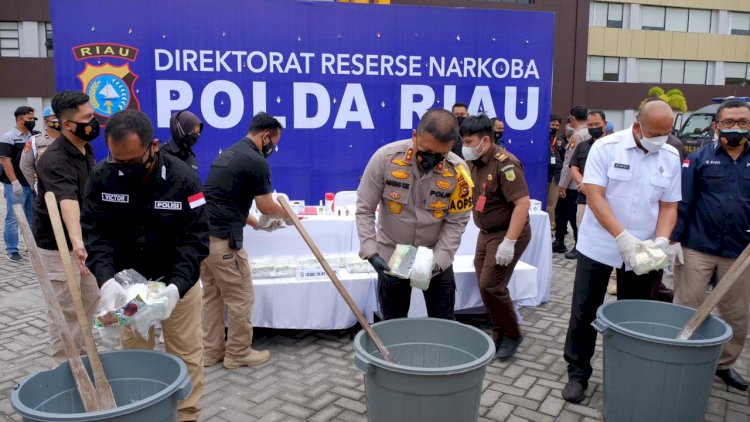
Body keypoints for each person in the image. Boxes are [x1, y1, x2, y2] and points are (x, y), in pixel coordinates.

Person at [81, 110, 209, 421]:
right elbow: (95, 233)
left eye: (132, 162)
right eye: (118, 161)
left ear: (153, 146)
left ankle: (185, 415)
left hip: (175, 283)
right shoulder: (101, 177)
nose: (125, 169)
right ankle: (144, 412)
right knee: (136, 355)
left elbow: (195, 239)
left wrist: (177, 287)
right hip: (129, 289)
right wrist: (106, 280)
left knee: (187, 353)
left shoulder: (184, 179)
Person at [562, 99, 681, 404]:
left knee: (634, 314)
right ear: (638, 126)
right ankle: (578, 373)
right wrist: (621, 236)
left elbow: (669, 205)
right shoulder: (606, 148)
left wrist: (662, 240)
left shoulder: (670, 155)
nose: (661, 140)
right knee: (585, 309)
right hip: (599, 245)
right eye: (655, 134)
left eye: (666, 133)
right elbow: (595, 196)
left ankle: (629, 369)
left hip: (644, 250)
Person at [356, 108, 472, 320]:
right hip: (392, 257)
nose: (431, 160)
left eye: (441, 155)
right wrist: (371, 253)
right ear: (415, 135)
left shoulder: (459, 171)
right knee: (393, 323)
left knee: (443, 322)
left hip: (436, 257)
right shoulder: (385, 159)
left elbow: (457, 222)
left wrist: (439, 261)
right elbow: (364, 209)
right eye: (427, 150)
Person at [670, 98, 750, 391]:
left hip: (740, 253)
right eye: (729, 122)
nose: (735, 127)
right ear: (717, 126)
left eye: (742, 122)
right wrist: (674, 240)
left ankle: (724, 365)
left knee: (736, 313)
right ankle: (681, 358)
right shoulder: (699, 159)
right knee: (686, 306)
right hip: (697, 248)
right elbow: (683, 201)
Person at [201, 112, 287, 370]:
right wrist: (289, 215)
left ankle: (211, 351)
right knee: (240, 297)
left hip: (203, 240)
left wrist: (257, 224)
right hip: (224, 243)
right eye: (274, 143)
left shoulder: (228, 155)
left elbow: (226, 202)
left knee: (212, 297)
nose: (272, 149)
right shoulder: (256, 161)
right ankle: (238, 353)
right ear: (266, 136)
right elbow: (267, 205)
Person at [33, 91, 101, 366]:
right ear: (67, 124)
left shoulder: (85, 149)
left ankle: (83, 358)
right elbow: (67, 201)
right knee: (65, 312)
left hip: (84, 243)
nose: (93, 122)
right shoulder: (54, 159)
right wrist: (76, 242)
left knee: (90, 301)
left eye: (93, 115)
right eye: (87, 117)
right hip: (59, 248)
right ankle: (66, 369)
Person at [461, 115, 531, 360]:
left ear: (485, 140)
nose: (465, 147)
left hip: (507, 233)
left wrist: (509, 242)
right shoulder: (474, 162)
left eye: (469, 142)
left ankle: (512, 333)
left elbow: (522, 204)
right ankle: (499, 331)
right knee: (485, 284)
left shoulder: (506, 164)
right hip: (486, 233)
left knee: (491, 285)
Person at [0, 106, 36, 261]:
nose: (33, 121)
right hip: (15, 185)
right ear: (21, 119)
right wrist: (14, 182)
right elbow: (5, 161)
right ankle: (12, 249)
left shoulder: (34, 136)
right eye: (30, 118)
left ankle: (32, 246)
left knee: (32, 218)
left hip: (31, 184)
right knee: (13, 218)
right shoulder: (8, 137)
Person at [553, 105, 588, 255]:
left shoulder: (577, 136)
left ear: (572, 117)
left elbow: (569, 163)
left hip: (572, 184)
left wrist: (562, 185)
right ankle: (559, 241)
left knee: (572, 216)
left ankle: (577, 247)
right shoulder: (588, 133)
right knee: (563, 213)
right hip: (580, 181)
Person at [570, 111, 607, 231]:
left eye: (597, 124)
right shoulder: (582, 146)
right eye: (590, 125)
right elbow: (574, 168)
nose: (594, 127)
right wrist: (583, 184)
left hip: (607, 199)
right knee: (582, 231)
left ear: (605, 124)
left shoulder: (614, 146)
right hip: (584, 199)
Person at [20, 106, 60, 191]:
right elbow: (25, 165)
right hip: (46, 188)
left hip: (70, 188)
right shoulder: (35, 140)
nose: (58, 120)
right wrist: (36, 186)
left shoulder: (72, 139)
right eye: (55, 117)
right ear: (46, 121)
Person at [547, 115, 563, 229]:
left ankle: (551, 227)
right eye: (553, 124)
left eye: (557, 125)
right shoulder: (540, 139)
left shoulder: (560, 141)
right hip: (542, 175)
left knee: (551, 203)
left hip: (555, 176)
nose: (555, 127)